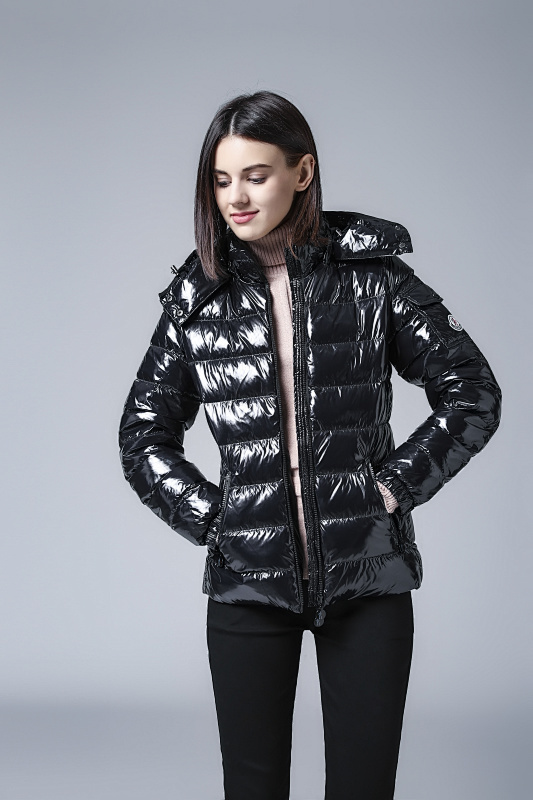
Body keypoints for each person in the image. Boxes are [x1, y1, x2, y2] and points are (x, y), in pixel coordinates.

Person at [118, 90, 502, 800]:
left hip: (367, 579)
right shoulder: (197, 300)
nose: (236, 198)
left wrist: (394, 486)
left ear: (302, 172)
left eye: (255, 175)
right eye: (221, 180)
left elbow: (472, 391)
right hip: (248, 583)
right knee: (252, 787)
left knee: (363, 786)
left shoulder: (374, 278)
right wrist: (217, 518)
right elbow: (142, 436)